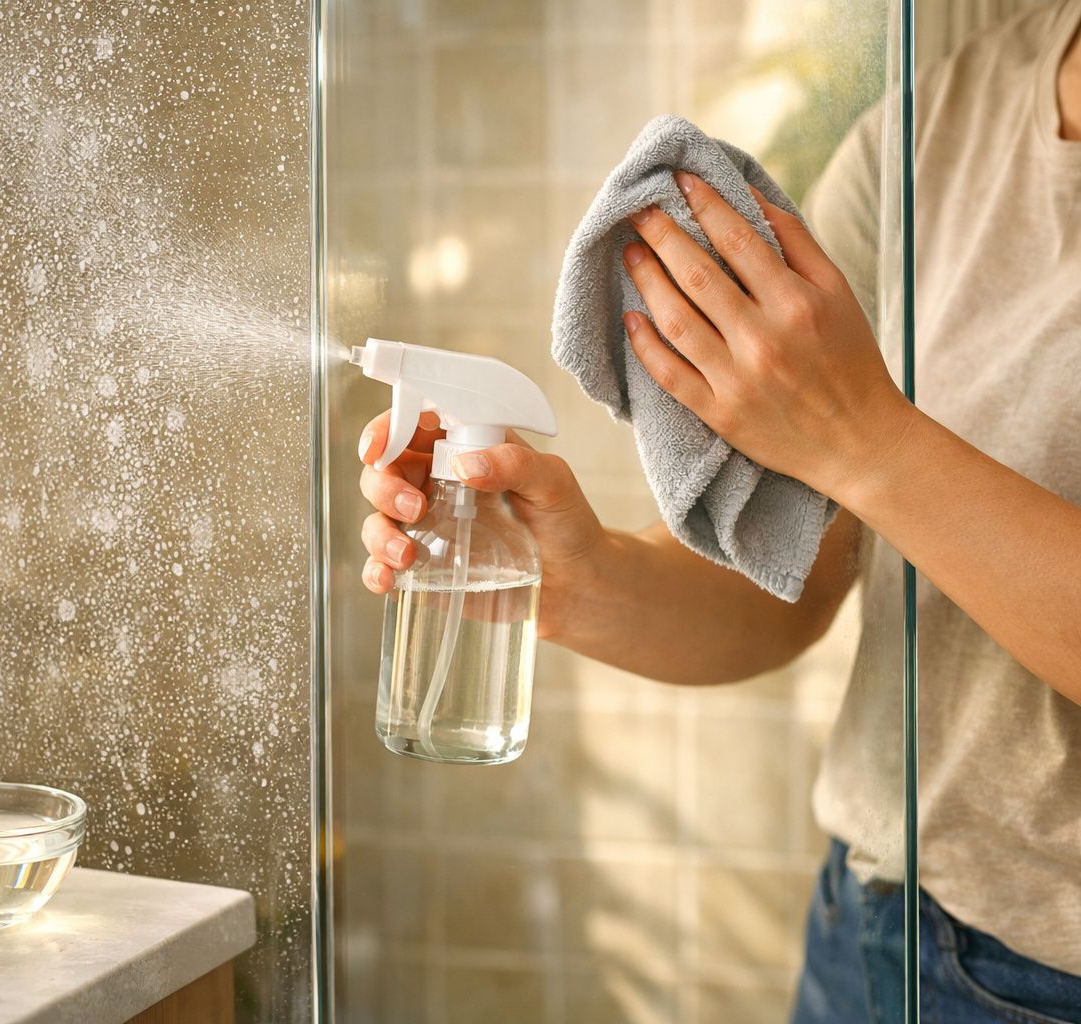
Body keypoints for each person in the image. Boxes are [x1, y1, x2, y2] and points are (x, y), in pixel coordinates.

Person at [355, 1, 1081, 1020]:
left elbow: (859, 448)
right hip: (869, 936)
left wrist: (866, 439)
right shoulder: (937, 127)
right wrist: (572, 576)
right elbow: (790, 585)